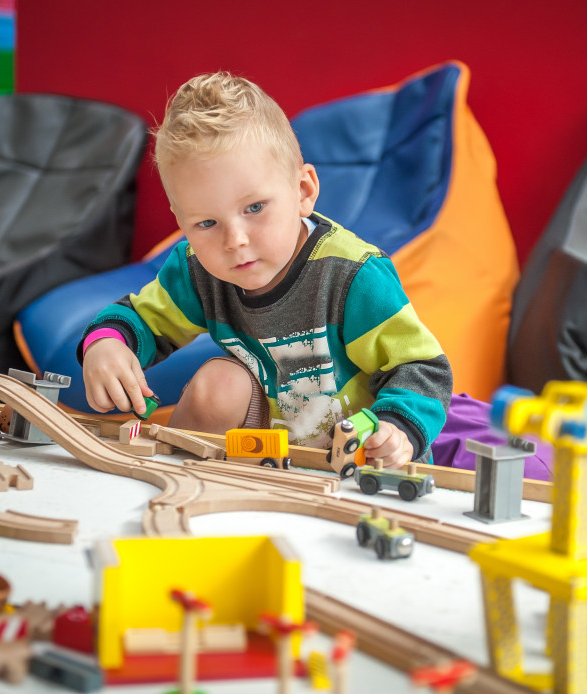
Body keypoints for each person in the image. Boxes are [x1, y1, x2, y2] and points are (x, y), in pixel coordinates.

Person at [78, 71, 452, 468]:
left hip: (359, 458)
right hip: (263, 455)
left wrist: (398, 429)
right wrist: (106, 345)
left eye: (254, 208)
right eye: (206, 223)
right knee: (218, 384)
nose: (234, 240)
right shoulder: (198, 270)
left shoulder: (351, 275)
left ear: (303, 191)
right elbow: (138, 317)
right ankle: (176, 480)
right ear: (182, 221)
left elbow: (422, 368)